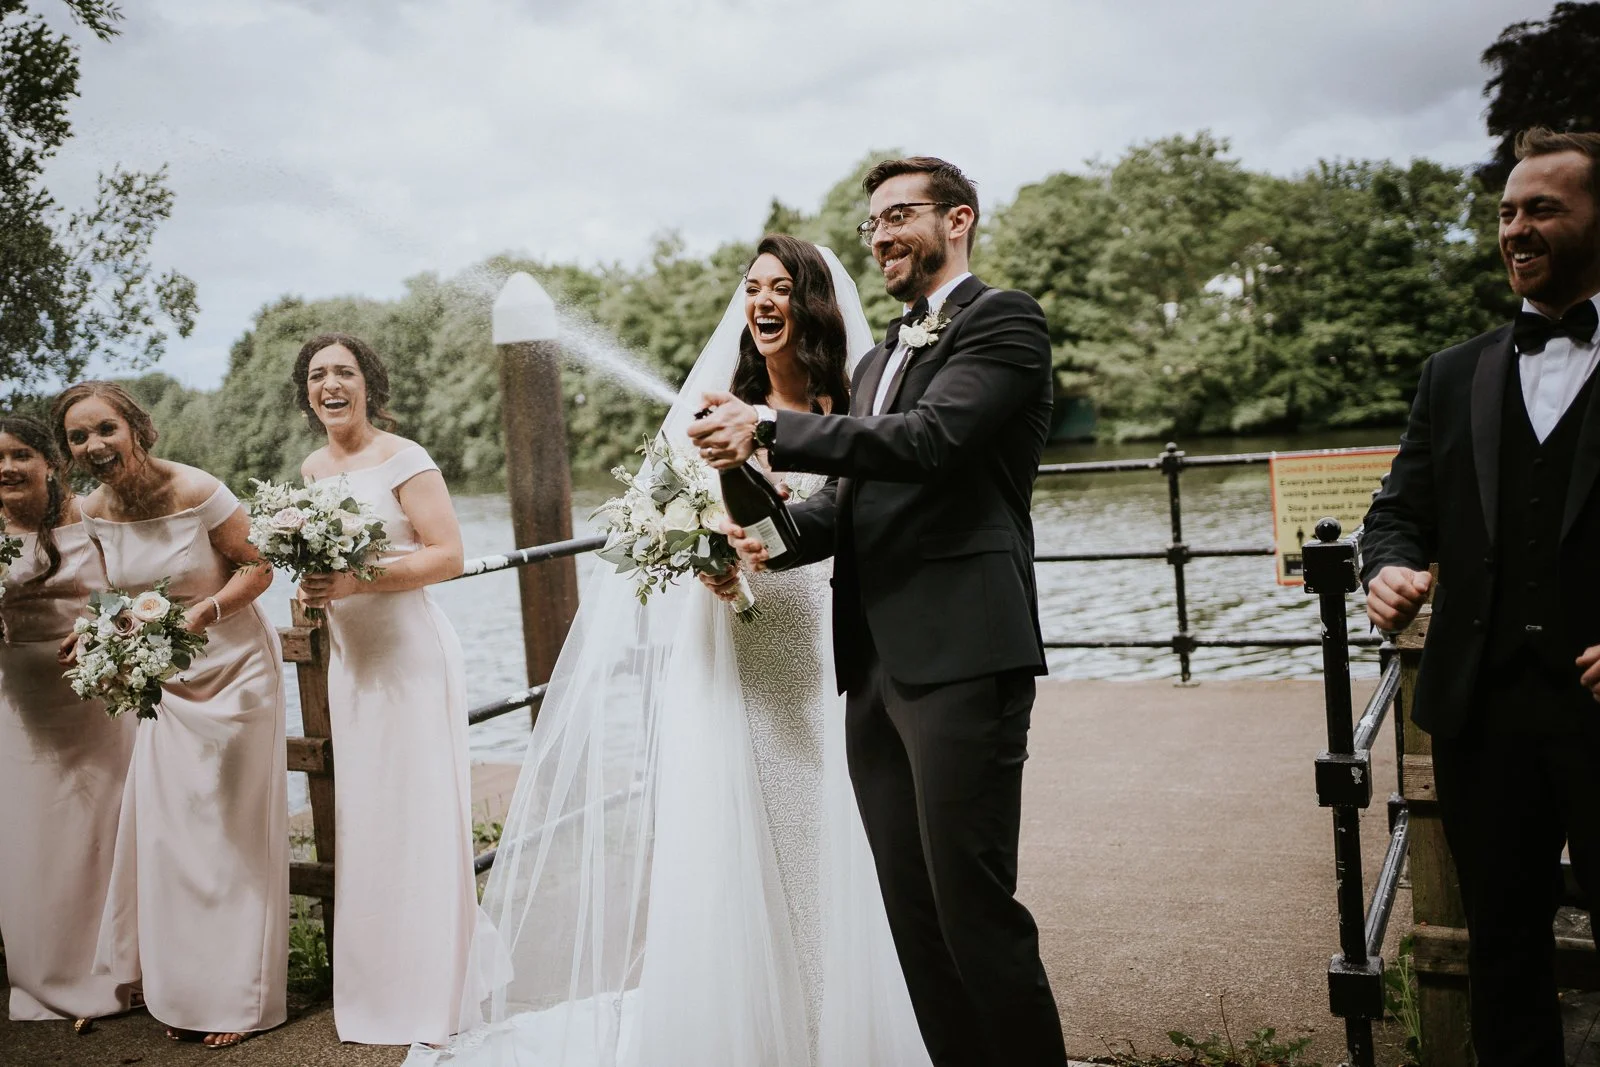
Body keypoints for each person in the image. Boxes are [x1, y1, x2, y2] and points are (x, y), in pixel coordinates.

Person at [409, 240, 929, 1067]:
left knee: (834, 842)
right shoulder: (715, 410)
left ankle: (836, 1031)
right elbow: (664, 522)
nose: (762, 301)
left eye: (782, 287)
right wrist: (707, 561)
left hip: (825, 648)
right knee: (736, 841)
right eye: (752, 287)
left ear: (814, 304)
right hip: (734, 651)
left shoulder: (850, 407)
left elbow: (860, 518)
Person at [691, 157, 1068, 1067]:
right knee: (916, 920)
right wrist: (766, 539)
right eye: (874, 223)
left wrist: (768, 426)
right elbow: (849, 502)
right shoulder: (874, 360)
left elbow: (931, 441)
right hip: (873, 671)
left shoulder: (1004, 321)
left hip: (965, 656)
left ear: (959, 219)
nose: (883, 235)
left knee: (974, 910)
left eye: (900, 215)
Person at [1362, 127, 1600, 1064]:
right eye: (1506, 212)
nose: (1515, 228)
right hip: (1482, 714)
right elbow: (1397, 510)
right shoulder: (1453, 372)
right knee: (1502, 950)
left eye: (1542, 208)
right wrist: (1388, 566)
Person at [54, 381, 288, 1050]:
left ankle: (244, 997)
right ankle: (188, 990)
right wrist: (95, 634)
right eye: (78, 437)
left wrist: (202, 612)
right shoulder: (90, 510)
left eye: (105, 428)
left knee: (231, 831)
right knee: (173, 835)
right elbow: (113, 599)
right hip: (164, 684)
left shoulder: (197, 490)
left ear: (136, 427)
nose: (94, 445)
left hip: (235, 674)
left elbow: (260, 565)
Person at [292, 332, 486, 1046]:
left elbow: (449, 555)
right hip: (354, 665)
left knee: (420, 812)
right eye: (318, 374)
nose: (331, 384)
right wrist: (315, 587)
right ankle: (380, 987)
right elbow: (325, 564)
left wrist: (355, 580)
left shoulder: (406, 458)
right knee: (370, 819)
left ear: (368, 383)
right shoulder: (312, 469)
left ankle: (435, 989)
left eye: (344, 371)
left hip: (409, 658)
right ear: (307, 392)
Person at [0, 415, 137, 1027]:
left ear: (50, 462)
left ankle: (123, 968)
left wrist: (96, 627)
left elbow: (128, 590)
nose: (7, 468)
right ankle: (49, 975)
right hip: (21, 705)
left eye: (20, 454)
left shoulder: (91, 517)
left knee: (104, 828)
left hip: (94, 696)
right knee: (37, 836)